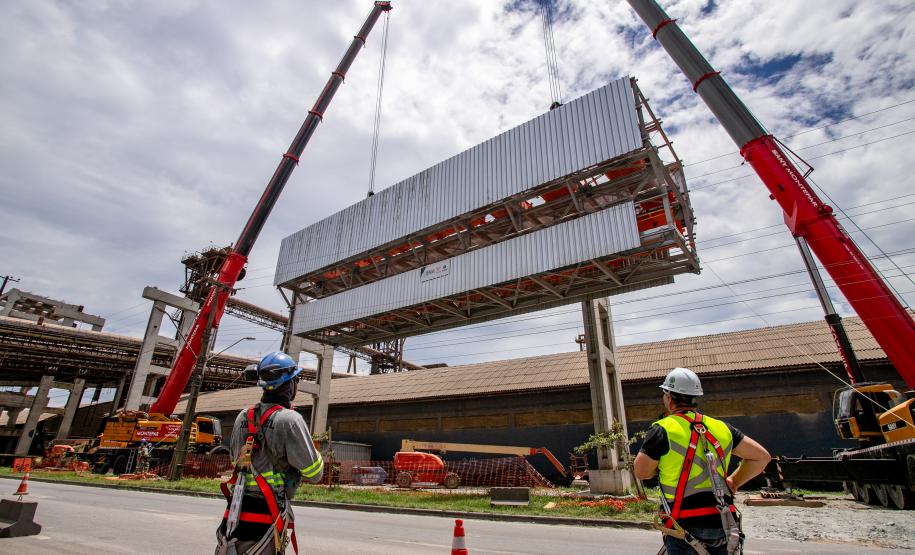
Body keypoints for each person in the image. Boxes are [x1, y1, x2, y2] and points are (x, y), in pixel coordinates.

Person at [633, 368, 770, 555]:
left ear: (669, 398)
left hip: (683, 527)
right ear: (695, 398)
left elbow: (641, 472)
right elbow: (761, 457)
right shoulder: (721, 428)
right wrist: (733, 481)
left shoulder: (662, 430)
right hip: (723, 522)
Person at [215, 351, 324, 555]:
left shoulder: (243, 417)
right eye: (296, 380)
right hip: (267, 517)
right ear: (289, 384)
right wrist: (312, 450)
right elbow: (315, 473)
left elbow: (235, 459)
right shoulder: (291, 420)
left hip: (235, 516)